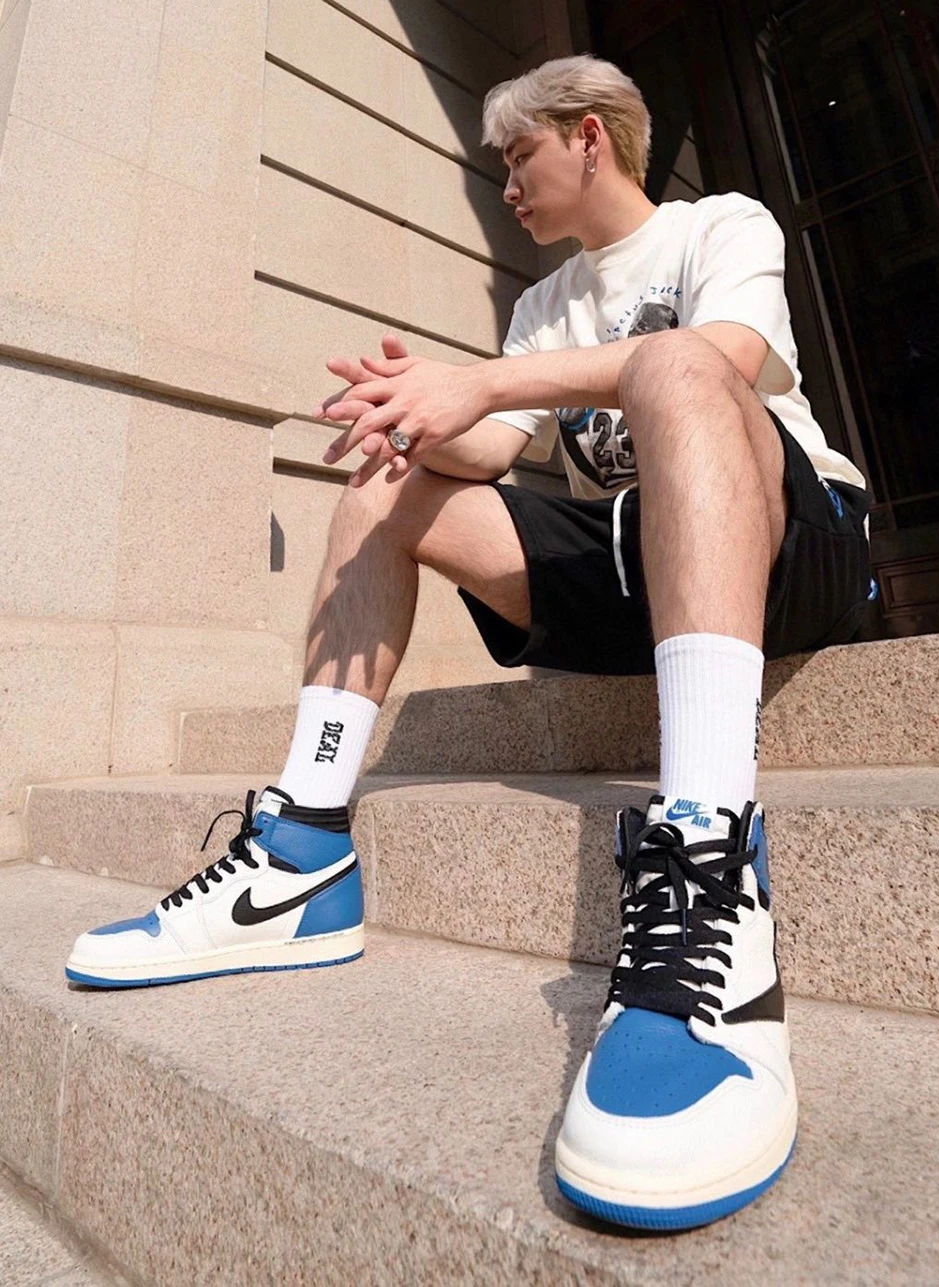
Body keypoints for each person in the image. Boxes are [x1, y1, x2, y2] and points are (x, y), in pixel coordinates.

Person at [66, 54, 872, 1231]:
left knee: (679, 362)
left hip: (797, 541)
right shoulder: (544, 306)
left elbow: (728, 367)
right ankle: (303, 854)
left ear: (588, 137)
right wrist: (417, 410)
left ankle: (708, 853)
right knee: (387, 485)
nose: (506, 184)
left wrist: (482, 383)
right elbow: (491, 450)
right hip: (640, 559)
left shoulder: (720, 225)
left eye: (518, 155)